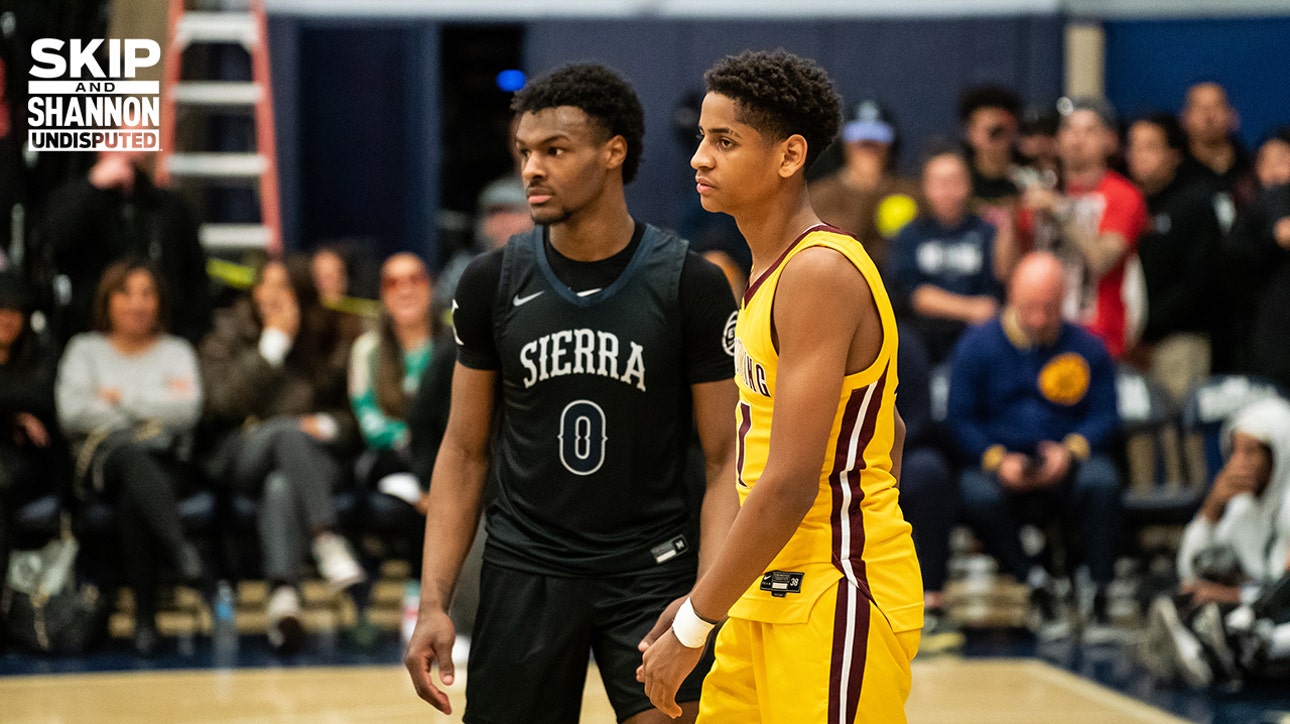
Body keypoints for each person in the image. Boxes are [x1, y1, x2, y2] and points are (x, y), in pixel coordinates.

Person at [403, 63, 739, 724]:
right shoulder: (489, 282)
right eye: (525, 152)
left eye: (554, 150)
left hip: (651, 572)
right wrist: (434, 601)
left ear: (613, 151)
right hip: (526, 568)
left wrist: (703, 603)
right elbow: (465, 451)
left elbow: (727, 456)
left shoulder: (689, 284)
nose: (532, 169)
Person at [638, 49, 922, 722]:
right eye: (703, 139)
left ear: (790, 155)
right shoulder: (768, 272)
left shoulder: (821, 272)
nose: (699, 158)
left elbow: (792, 480)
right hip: (760, 592)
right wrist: (712, 592)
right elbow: (891, 429)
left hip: (833, 593)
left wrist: (691, 627)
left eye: (724, 141)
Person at [946, 251, 1121, 640]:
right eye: (1030, 307)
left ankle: (1100, 594)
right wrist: (996, 460)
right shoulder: (977, 345)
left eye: (1050, 308)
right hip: (1001, 459)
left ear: (1065, 300)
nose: (1039, 319)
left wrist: (1072, 451)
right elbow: (960, 419)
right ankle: (1037, 583)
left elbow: (1106, 415)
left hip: (1066, 459)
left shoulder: (1088, 347)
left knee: (1103, 482)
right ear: (1011, 296)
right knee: (973, 493)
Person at [198, 255, 366, 653]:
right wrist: (272, 345)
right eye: (265, 285)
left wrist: (325, 425)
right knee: (285, 433)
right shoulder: (227, 333)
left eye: (284, 287)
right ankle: (326, 539)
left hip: (307, 461)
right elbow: (221, 403)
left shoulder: (327, 338)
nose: (273, 295)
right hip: (240, 453)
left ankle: (283, 599)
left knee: (281, 487)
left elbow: (351, 418)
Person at [54, 260, 205, 655]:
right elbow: (72, 413)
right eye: (126, 293)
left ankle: (145, 622)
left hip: (164, 464)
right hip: (101, 463)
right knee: (128, 454)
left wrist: (118, 398)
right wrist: (153, 406)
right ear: (108, 301)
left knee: (136, 495)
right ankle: (179, 551)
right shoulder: (84, 349)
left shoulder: (176, 351)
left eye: (147, 294)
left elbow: (187, 409)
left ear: (159, 302)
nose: (137, 303)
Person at [1144, 396, 1290, 687]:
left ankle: (1202, 650)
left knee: (1245, 628)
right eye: (1234, 451)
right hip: (1259, 604)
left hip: (1275, 613)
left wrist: (1235, 597)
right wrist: (1212, 508)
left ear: (1280, 453)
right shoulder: (1241, 506)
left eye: (1250, 453)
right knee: (1181, 594)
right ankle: (1203, 649)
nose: (1238, 463)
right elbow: (1191, 569)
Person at [37, 147, 212, 345]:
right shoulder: (77, 199)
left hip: (165, 337)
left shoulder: (171, 207)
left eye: (146, 140)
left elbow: (196, 278)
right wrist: (91, 185)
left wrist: (189, 337)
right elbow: (52, 242)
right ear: (106, 144)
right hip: (92, 334)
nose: (140, 151)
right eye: (131, 140)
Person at [1021, 97, 1148, 360]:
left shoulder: (1123, 196)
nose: (1076, 139)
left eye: (1089, 131)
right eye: (1068, 129)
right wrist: (1012, 219)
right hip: (1039, 337)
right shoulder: (1041, 193)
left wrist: (1061, 211)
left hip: (1099, 342)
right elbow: (1005, 269)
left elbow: (1102, 259)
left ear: (1110, 141)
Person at [1124, 113, 1222, 402]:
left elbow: (1198, 281)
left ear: (1174, 155)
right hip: (1128, 342)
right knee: (1136, 432)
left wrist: (1148, 331)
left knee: (1178, 436)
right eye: (1134, 146)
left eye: (1150, 147)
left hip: (1179, 340)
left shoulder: (1195, 203)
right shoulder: (1125, 200)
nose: (1139, 155)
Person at [888, 148, 1004, 363]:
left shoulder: (987, 232)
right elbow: (913, 295)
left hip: (978, 341)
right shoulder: (910, 234)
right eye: (940, 183)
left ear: (969, 183)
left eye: (955, 181)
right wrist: (969, 309)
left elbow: (995, 293)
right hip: (922, 341)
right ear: (925, 187)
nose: (948, 191)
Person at [349, 252, 446, 509]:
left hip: (446, 458)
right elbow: (368, 420)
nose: (405, 290)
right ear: (383, 294)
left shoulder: (455, 343)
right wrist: (409, 437)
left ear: (430, 286)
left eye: (415, 280)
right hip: (392, 459)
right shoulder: (366, 350)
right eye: (393, 283)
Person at [0, 271, 63, 584]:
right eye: (0, 310)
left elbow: (43, 402)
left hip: (28, 464)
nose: (6, 319)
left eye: (14, 311)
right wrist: (15, 416)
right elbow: (23, 401)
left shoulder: (41, 358)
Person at [808, 97, 920, 269]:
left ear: (892, 145)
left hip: (899, 291)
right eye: (860, 139)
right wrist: (862, 186)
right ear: (843, 143)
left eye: (876, 139)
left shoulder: (912, 193)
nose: (868, 146)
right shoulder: (818, 196)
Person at [1178, 81, 1259, 232]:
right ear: (1183, 118)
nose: (1209, 116)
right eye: (1199, 108)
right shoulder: (1174, 174)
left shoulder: (1253, 169)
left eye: (1217, 106)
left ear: (1233, 116)